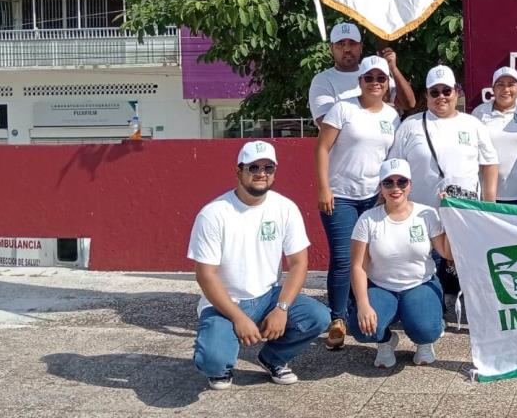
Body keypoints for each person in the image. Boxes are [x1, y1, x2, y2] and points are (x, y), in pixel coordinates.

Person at [187, 141, 331, 390]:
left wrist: (282, 309)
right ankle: (218, 359)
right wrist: (238, 317)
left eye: (268, 167)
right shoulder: (213, 214)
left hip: (268, 296)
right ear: (238, 171)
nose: (261, 173)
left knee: (318, 317)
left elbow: (299, 264)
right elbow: (205, 275)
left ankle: (274, 358)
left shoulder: (284, 208)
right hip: (224, 303)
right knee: (212, 361)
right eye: (253, 167)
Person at [314, 55, 400, 351]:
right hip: (340, 195)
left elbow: (390, 159)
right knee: (342, 258)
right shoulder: (342, 109)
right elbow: (322, 148)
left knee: (370, 259)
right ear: (359, 81)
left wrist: (388, 191)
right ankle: (336, 318)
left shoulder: (392, 116)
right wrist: (324, 188)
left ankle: (360, 310)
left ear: (388, 82)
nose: (375, 83)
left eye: (381, 78)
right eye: (369, 78)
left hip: (374, 197)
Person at [348, 159, 450, 368]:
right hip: (381, 286)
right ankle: (385, 341)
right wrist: (363, 304)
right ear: (381, 188)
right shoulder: (368, 219)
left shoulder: (427, 214)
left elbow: (447, 252)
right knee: (363, 329)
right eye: (389, 183)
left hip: (420, 283)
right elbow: (358, 266)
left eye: (402, 182)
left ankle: (425, 339)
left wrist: (449, 216)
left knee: (426, 329)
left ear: (410, 185)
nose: (396, 188)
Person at [388, 65, 499, 206]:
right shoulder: (409, 125)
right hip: (421, 213)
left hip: (464, 212)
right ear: (426, 95)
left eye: (446, 91)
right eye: (435, 92)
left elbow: (490, 164)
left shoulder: (473, 124)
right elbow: (394, 167)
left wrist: (489, 206)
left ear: (456, 93)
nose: (441, 97)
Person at [307, 21, 416, 123]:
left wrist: (393, 69)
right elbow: (328, 124)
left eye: (352, 43)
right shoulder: (322, 80)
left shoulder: (375, 72)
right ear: (331, 48)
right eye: (340, 43)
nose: (347, 49)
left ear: (361, 47)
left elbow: (408, 104)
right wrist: (378, 113)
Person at [472, 66, 517, 206]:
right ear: (493, 88)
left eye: (511, 85)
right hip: (489, 196)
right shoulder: (479, 113)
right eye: (500, 85)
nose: (506, 89)